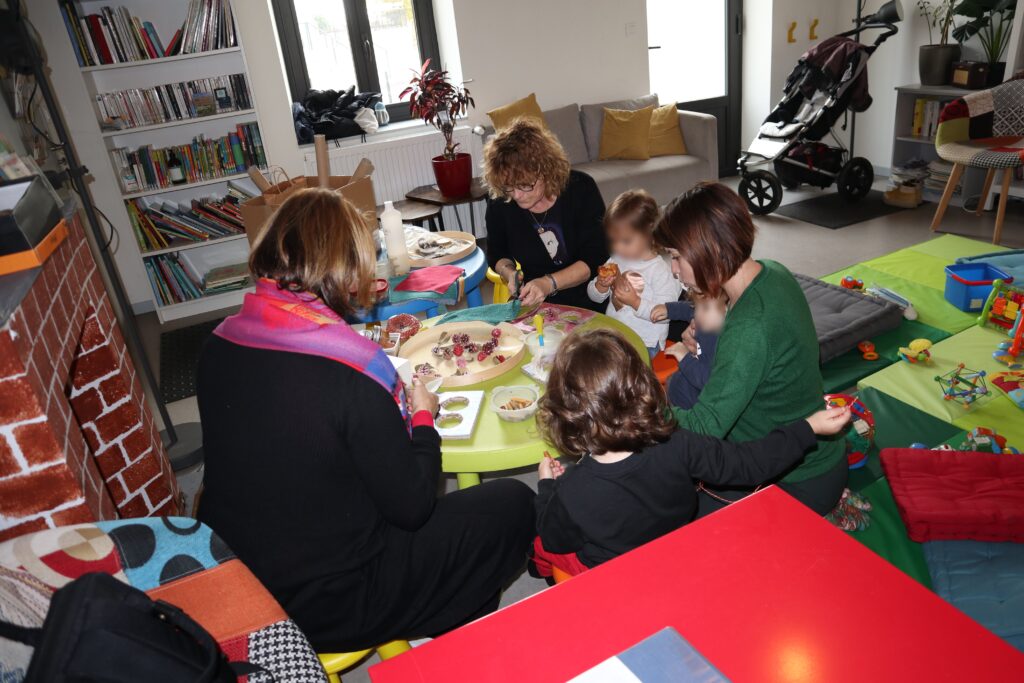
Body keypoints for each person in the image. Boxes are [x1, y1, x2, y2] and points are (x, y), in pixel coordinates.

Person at [197, 188, 535, 652]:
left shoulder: (218, 343)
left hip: (242, 579)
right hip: (331, 602)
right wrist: (421, 417)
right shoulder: (352, 371)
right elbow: (412, 506)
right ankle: (458, 641)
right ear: (343, 269)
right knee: (513, 504)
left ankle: (454, 619)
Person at [529, 329, 850, 577]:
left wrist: (547, 488)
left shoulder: (572, 490)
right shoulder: (678, 443)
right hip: (674, 548)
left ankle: (539, 572)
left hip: (611, 576)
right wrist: (808, 428)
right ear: (644, 388)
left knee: (541, 537)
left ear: (566, 415)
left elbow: (558, 539)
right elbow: (751, 463)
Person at [654, 182, 847, 516]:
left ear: (708, 249)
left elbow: (702, 428)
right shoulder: (773, 271)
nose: (674, 269)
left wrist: (637, 418)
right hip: (808, 455)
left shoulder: (750, 327)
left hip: (794, 480)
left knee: (672, 520)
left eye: (675, 257)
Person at [483, 118, 608, 310]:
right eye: (508, 186)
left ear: (546, 171)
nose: (516, 195)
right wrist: (510, 274)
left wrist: (548, 283)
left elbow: (595, 257)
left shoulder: (581, 189)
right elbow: (497, 253)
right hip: (535, 297)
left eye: (525, 185)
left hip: (590, 294)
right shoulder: (501, 202)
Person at [586, 190, 681, 358]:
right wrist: (600, 286)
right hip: (616, 334)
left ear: (650, 235)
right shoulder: (615, 260)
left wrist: (635, 302)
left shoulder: (660, 271)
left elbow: (665, 314)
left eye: (626, 241)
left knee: (611, 368)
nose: (617, 247)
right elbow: (595, 297)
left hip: (645, 342)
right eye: (613, 240)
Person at [664, 291, 727, 409]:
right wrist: (668, 309)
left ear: (727, 309)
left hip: (687, 406)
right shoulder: (707, 321)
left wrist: (685, 357)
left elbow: (709, 382)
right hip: (678, 385)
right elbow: (688, 308)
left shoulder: (721, 345)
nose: (697, 314)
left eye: (705, 308)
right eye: (696, 307)